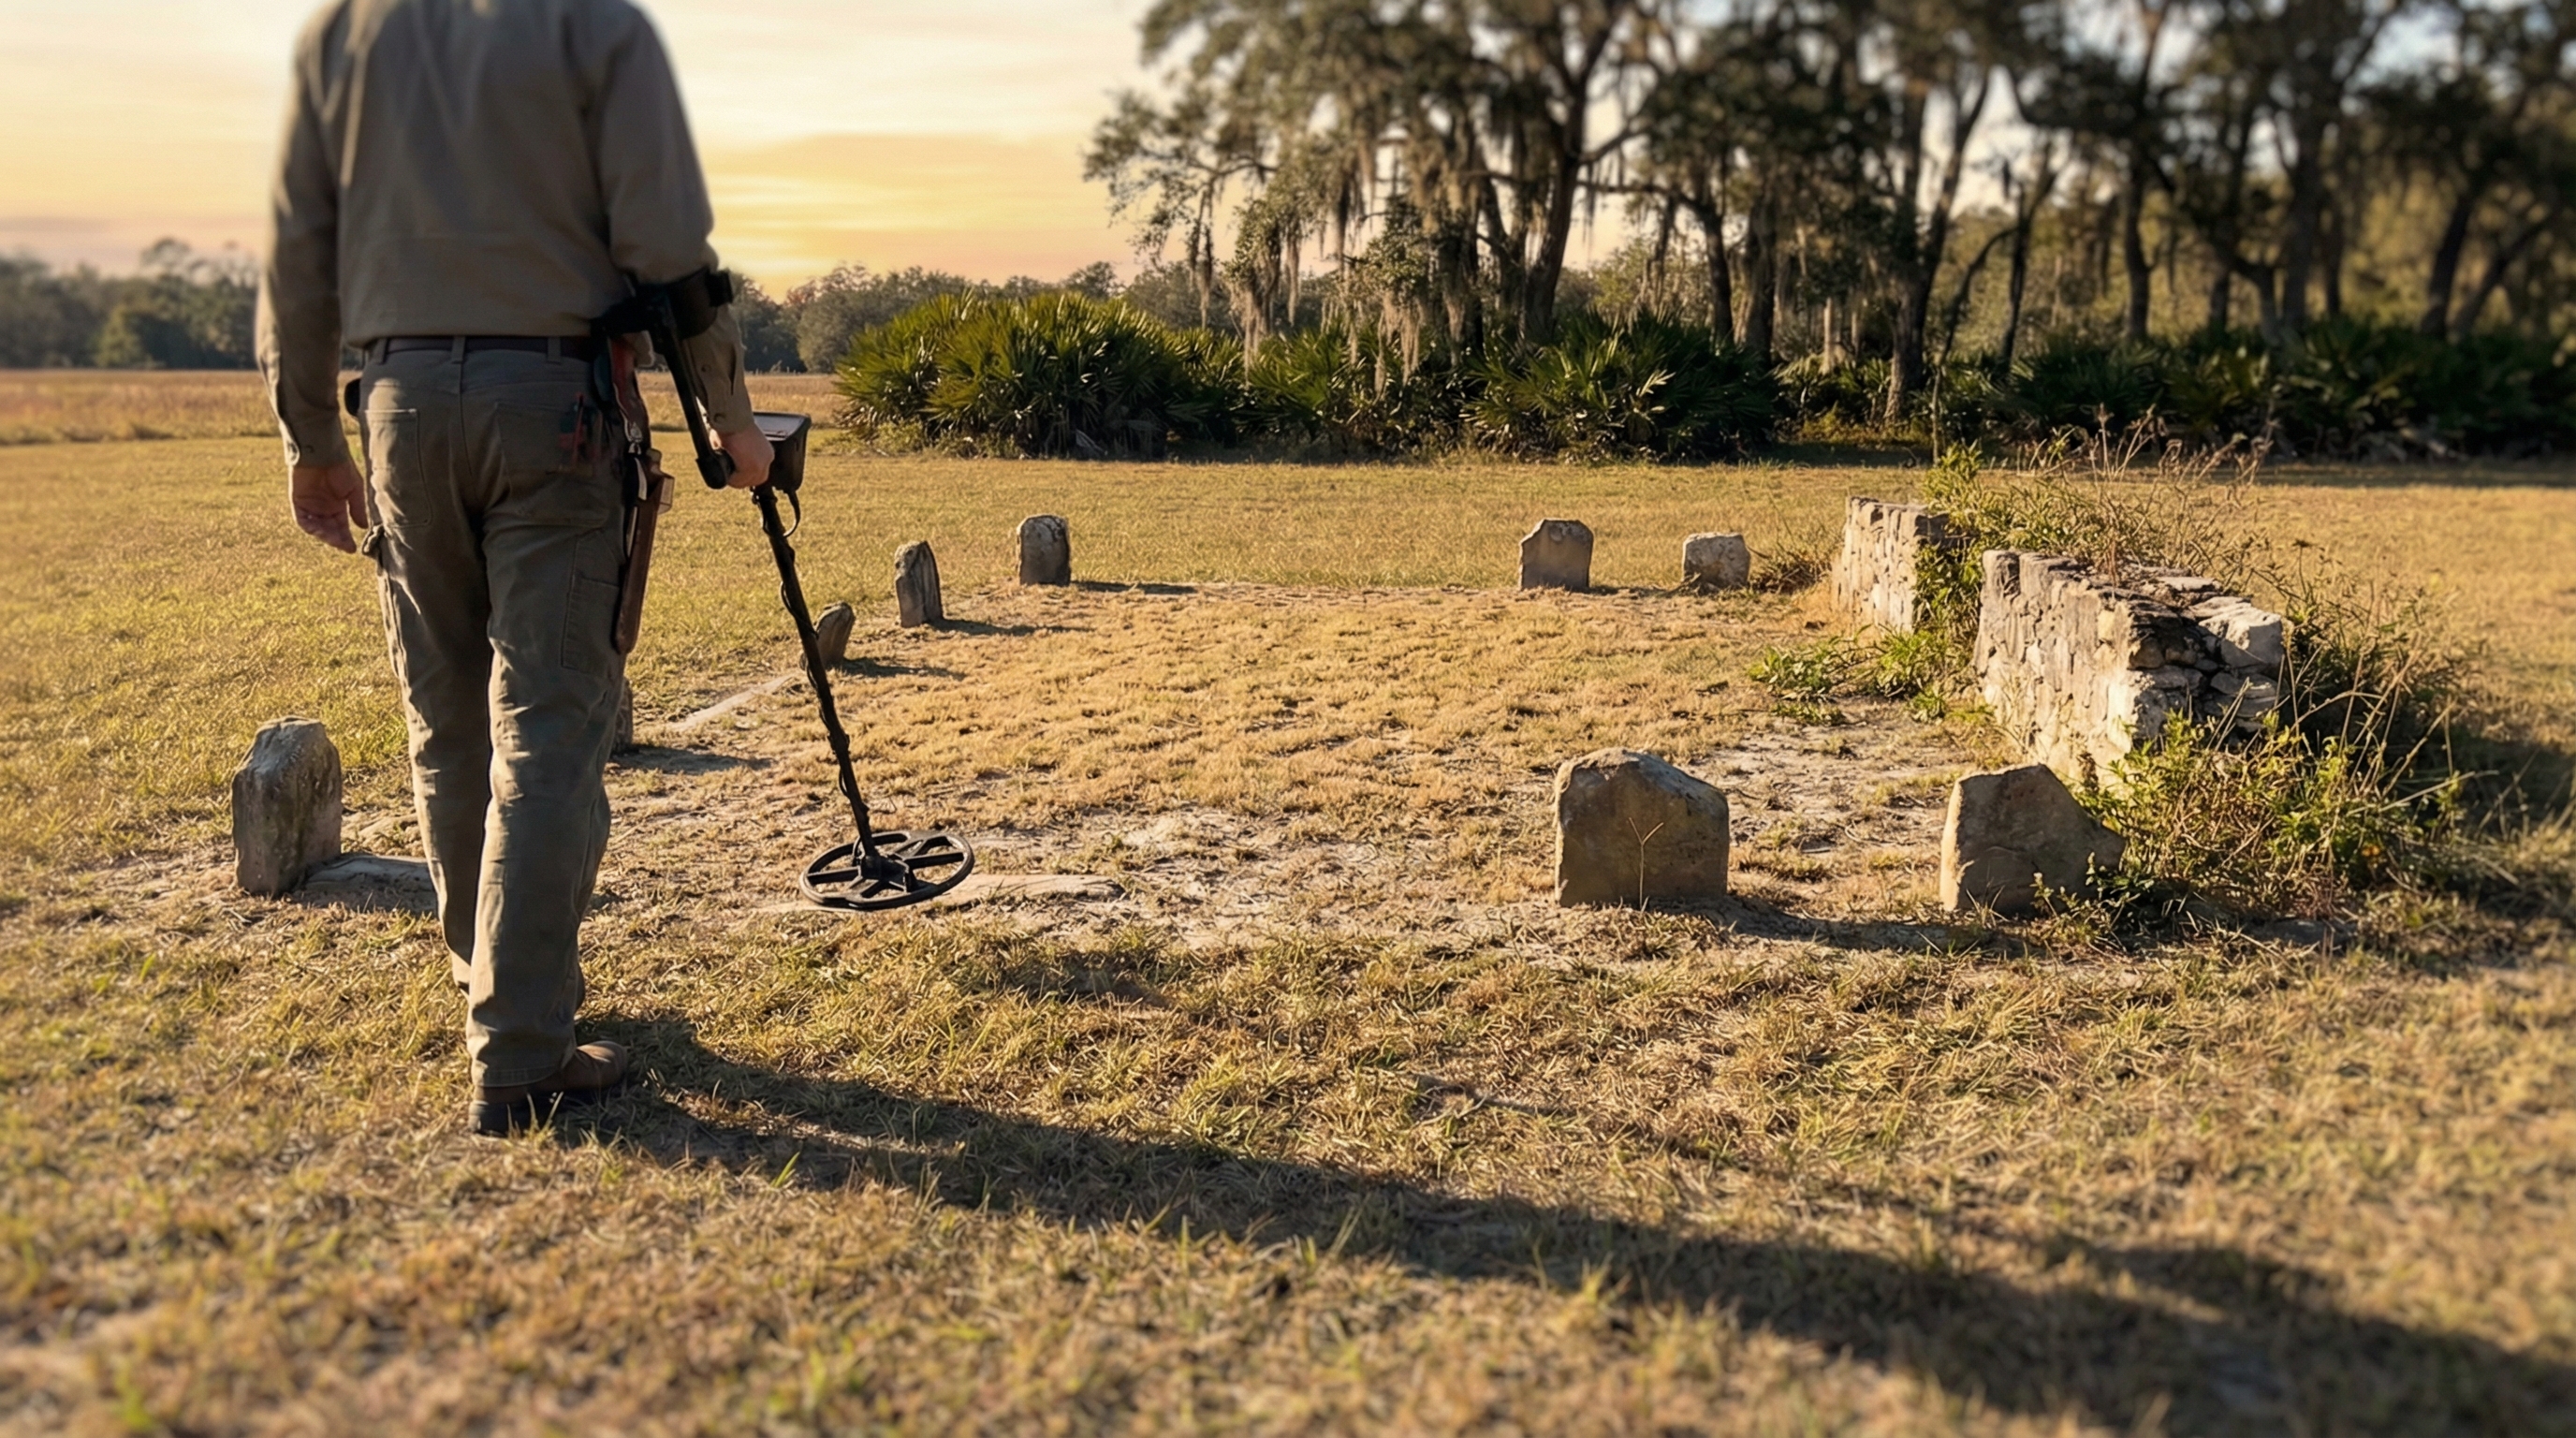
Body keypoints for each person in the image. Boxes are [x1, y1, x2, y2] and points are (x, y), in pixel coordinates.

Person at [257, 0, 771, 1137]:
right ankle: (523, 1044)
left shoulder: (343, 32)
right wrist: (732, 419)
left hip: (394, 405)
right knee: (545, 721)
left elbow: (298, 252)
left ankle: (489, 977)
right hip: (556, 404)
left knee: (447, 722)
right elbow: (670, 250)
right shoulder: (597, 27)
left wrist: (310, 442)